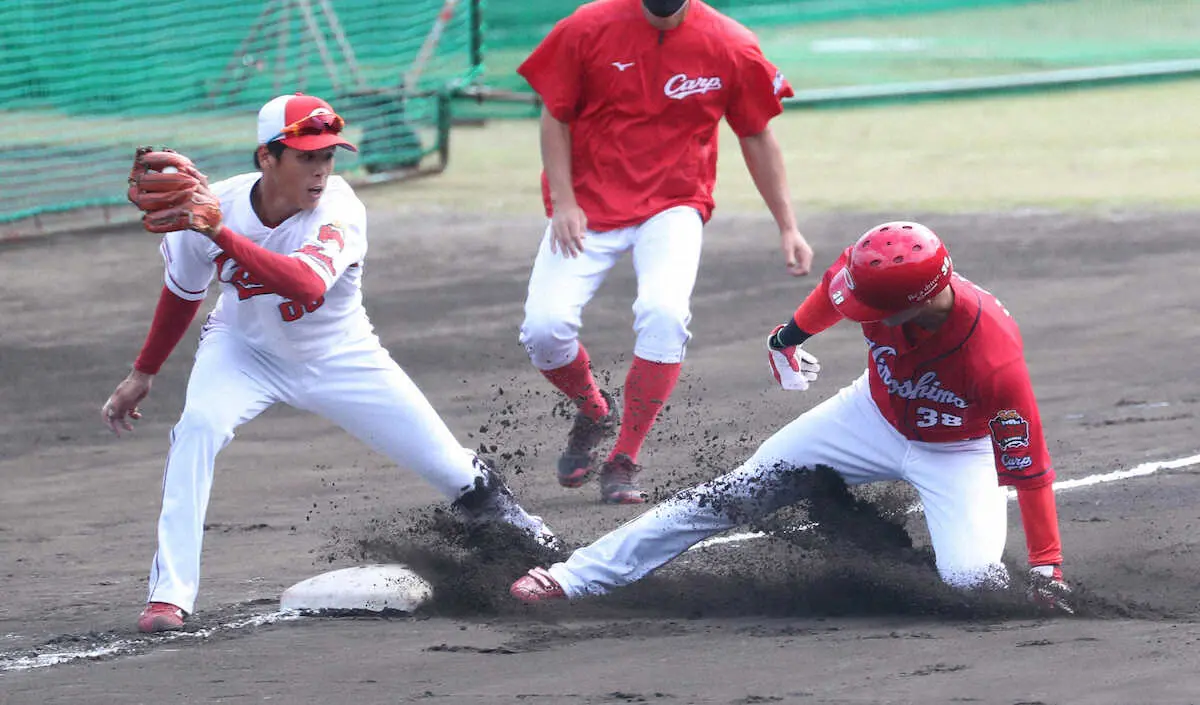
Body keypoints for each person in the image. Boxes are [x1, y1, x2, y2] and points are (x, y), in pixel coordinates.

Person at [107, 93, 557, 634]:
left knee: (449, 468)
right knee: (196, 430)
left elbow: (305, 283)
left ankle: (533, 537)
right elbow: (183, 293)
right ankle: (168, 597)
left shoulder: (337, 208)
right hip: (241, 350)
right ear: (266, 158)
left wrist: (219, 233)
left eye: (328, 156)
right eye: (306, 157)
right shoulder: (212, 207)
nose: (321, 170)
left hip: (341, 356)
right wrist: (143, 372)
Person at [510, 221, 1073, 613]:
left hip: (958, 453)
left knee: (975, 587)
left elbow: (1029, 470)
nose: (858, 313)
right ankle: (571, 577)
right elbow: (832, 292)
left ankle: (911, 557)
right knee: (726, 497)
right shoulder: (874, 273)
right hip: (866, 417)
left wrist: (1048, 567)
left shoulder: (993, 360)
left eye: (872, 309)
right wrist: (788, 338)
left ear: (917, 302)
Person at [515, 0, 815, 505]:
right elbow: (555, 116)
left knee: (665, 314)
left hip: (674, 203)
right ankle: (594, 410)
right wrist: (564, 202)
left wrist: (788, 226)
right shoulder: (588, 27)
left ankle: (624, 459)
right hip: (588, 204)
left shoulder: (730, 44)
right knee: (544, 330)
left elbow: (757, 134)